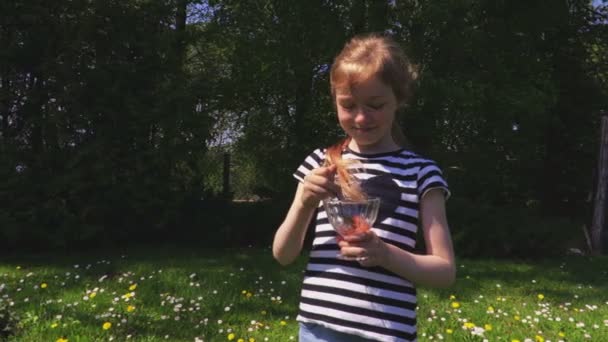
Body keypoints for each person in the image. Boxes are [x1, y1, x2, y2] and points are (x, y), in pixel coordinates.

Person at [272, 33, 455, 342]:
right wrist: (304, 202)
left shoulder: (421, 173)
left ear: (399, 99)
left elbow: (444, 271)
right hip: (318, 330)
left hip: (387, 334)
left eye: (375, 104)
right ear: (335, 102)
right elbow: (283, 254)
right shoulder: (321, 164)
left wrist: (385, 254)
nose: (360, 116)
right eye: (348, 105)